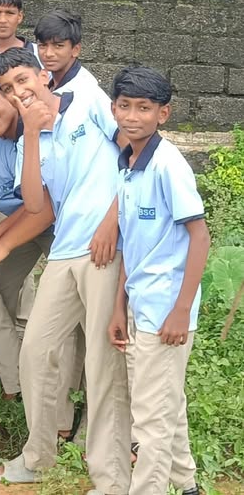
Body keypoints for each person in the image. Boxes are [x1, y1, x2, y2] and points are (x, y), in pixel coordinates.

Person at [0, 47, 131, 495]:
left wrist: (112, 222)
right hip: (64, 251)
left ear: (44, 76)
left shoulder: (87, 102)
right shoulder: (29, 140)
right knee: (36, 352)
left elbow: (134, 156)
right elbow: (34, 203)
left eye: (23, 80)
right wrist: (31, 133)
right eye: (8, 89)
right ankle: (38, 458)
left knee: (103, 362)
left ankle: (111, 476)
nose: (19, 91)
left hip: (105, 247)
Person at [0, 73, 85, 439]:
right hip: (25, 224)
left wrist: (0, 240)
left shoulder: (32, 135)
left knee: (72, 325)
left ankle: (67, 418)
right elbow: (19, 207)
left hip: (65, 230)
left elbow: (43, 206)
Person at [108, 66, 207, 495]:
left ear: (163, 114)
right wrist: (119, 307)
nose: (133, 116)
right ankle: (187, 485)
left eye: (144, 108)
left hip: (166, 312)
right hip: (140, 306)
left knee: (149, 418)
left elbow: (200, 237)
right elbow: (132, 243)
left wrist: (181, 311)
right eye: (125, 106)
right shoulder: (127, 164)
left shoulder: (169, 166)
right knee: (166, 404)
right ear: (113, 109)